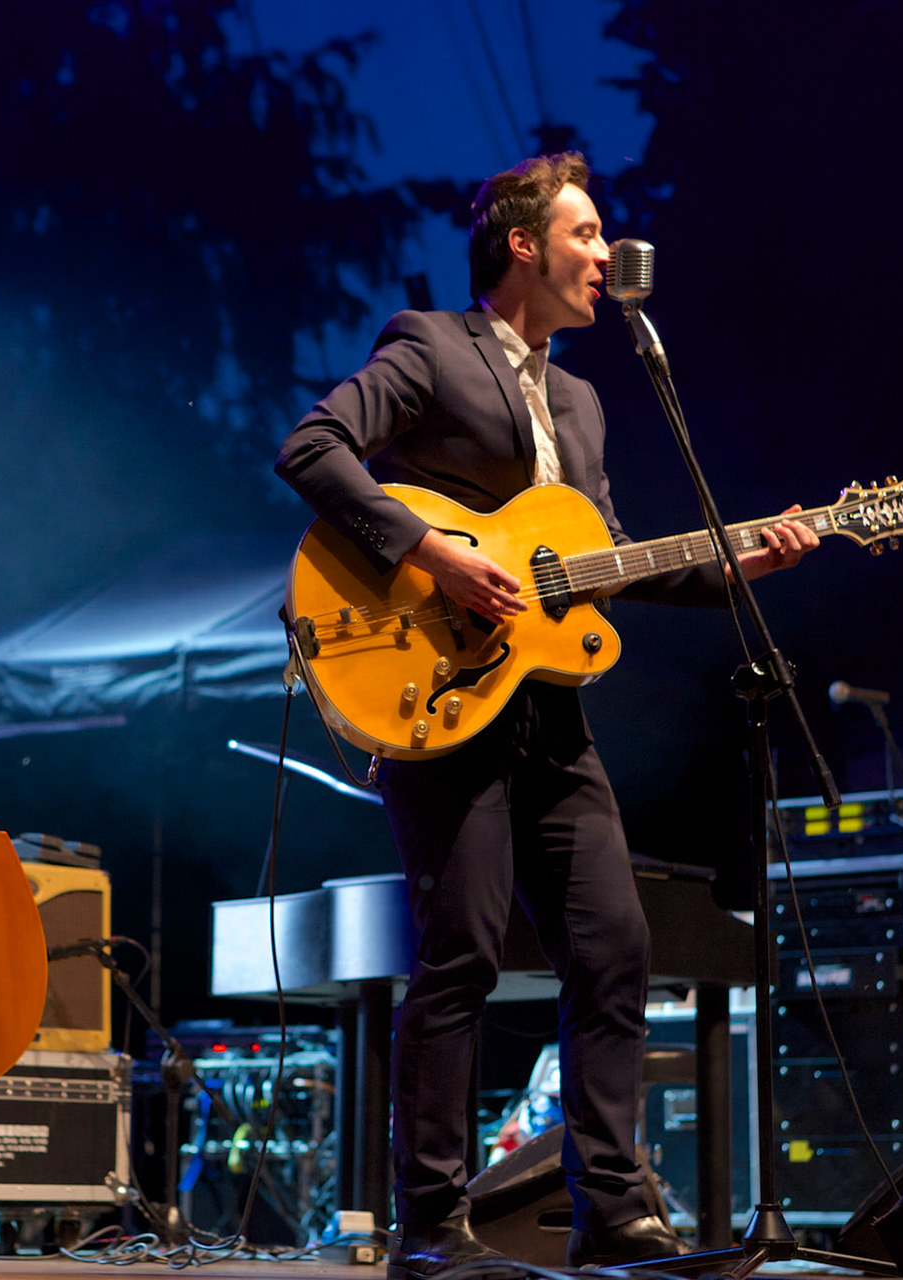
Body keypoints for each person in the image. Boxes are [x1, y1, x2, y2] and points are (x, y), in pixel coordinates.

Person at [275, 153, 819, 1277]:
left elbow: (604, 564)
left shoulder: (582, 399)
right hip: (438, 692)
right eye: (586, 232)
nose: (604, 254)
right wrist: (436, 552)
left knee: (614, 944)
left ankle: (613, 1209)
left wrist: (741, 561)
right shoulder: (428, 344)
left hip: (549, 713)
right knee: (461, 952)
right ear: (523, 244)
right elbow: (310, 448)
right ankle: (430, 1226)